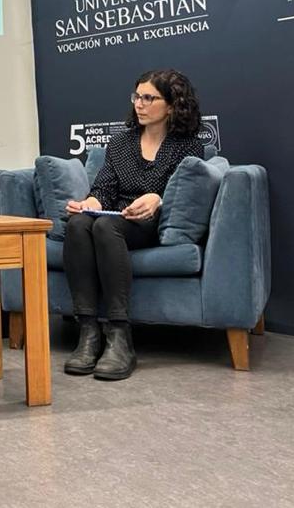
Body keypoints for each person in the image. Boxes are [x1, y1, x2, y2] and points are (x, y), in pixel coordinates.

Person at [63, 69, 204, 381]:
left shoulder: (187, 146)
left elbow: (181, 190)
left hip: (149, 222)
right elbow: (103, 190)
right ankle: (88, 332)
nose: (139, 104)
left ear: (171, 105)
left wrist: (158, 198)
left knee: (102, 228)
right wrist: (92, 203)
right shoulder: (120, 143)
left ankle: (119, 336)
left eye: (149, 98)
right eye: (137, 96)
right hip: (115, 216)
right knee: (78, 224)